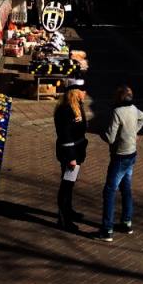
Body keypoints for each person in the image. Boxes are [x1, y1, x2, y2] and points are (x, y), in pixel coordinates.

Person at [95, 85, 143, 242]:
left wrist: (101, 133)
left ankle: (107, 229)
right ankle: (126, 222)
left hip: (119, 155)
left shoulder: (117, 112)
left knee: (109, 191)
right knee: (126, 188)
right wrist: (134, 132)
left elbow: (110, 137)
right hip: (132, 153)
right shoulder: (133, 108)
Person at [53, 81, 89, 233]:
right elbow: (66, 136)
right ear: (75, 91)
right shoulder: (66, 110)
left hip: (77, 151)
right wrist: (71, 157)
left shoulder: (77, 106)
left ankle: (69, 210)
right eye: (82, 90)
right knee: (66, 185)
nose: (85, 92)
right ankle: (63, 218)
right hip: (70, 154)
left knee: (70, 183)